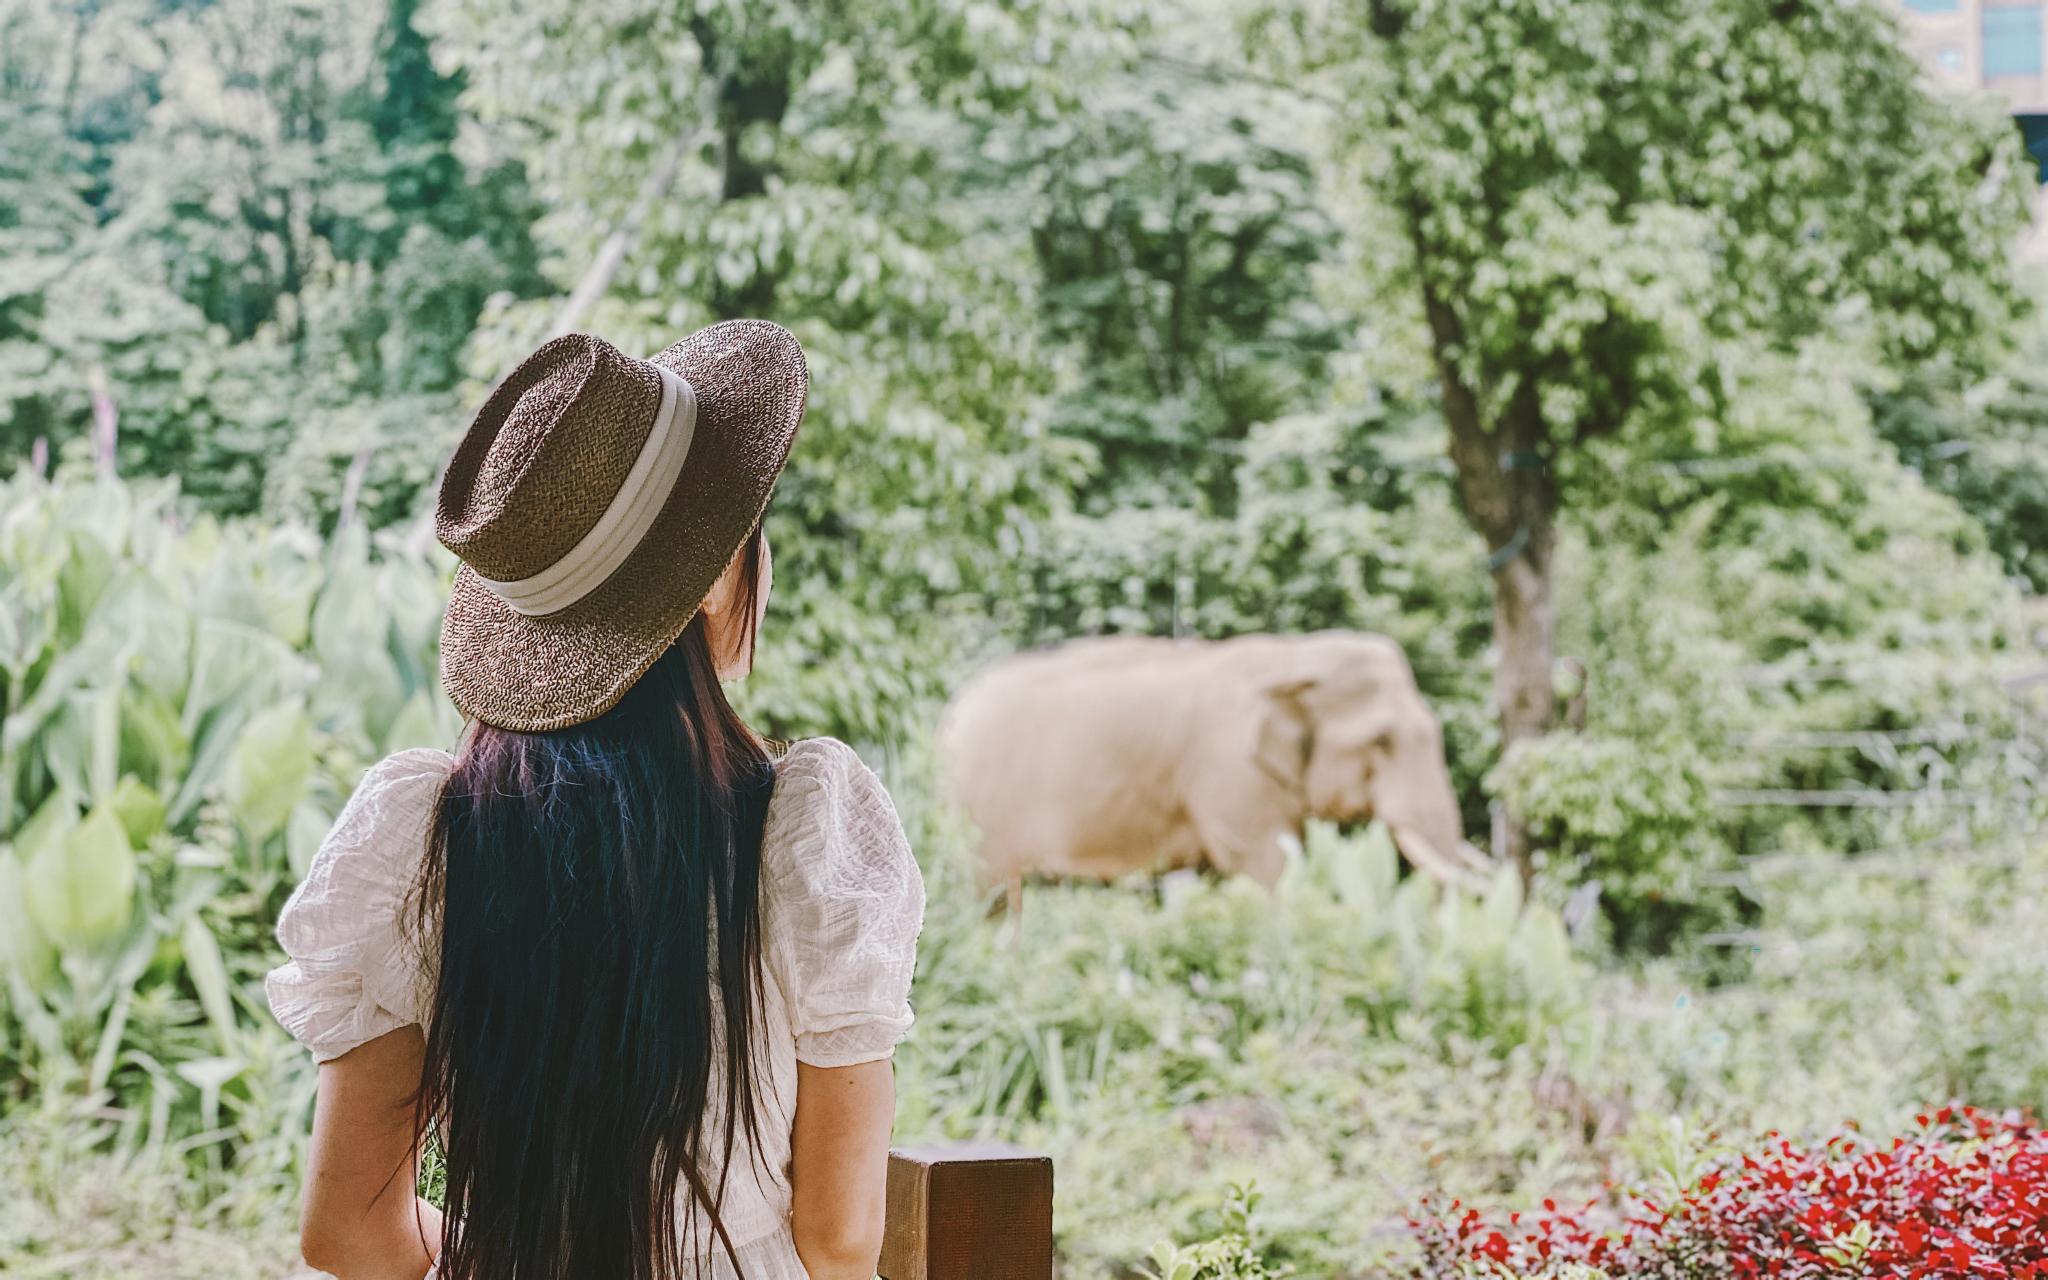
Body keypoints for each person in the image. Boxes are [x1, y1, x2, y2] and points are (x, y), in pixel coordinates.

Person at [264, 322, 924, 1280]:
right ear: (711, 578)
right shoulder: (803, 831)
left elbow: (348, 1232)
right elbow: (837, 1237)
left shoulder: (431, 838)